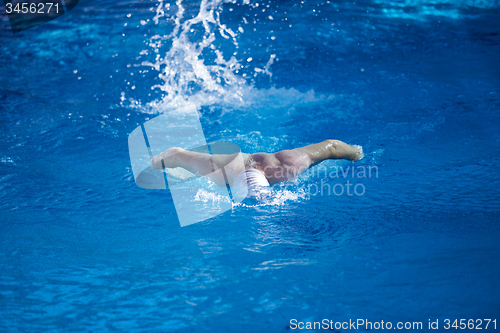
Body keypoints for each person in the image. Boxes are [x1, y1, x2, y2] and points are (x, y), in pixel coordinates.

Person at [151, 140, 363, 190]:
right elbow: (331, 147)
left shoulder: (286, 166)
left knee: (180, 157)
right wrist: (355, 154)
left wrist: (354, 152)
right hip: (237, 164)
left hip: (233, 163)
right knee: (178, 156)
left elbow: (331, 148)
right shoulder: (287, 168)